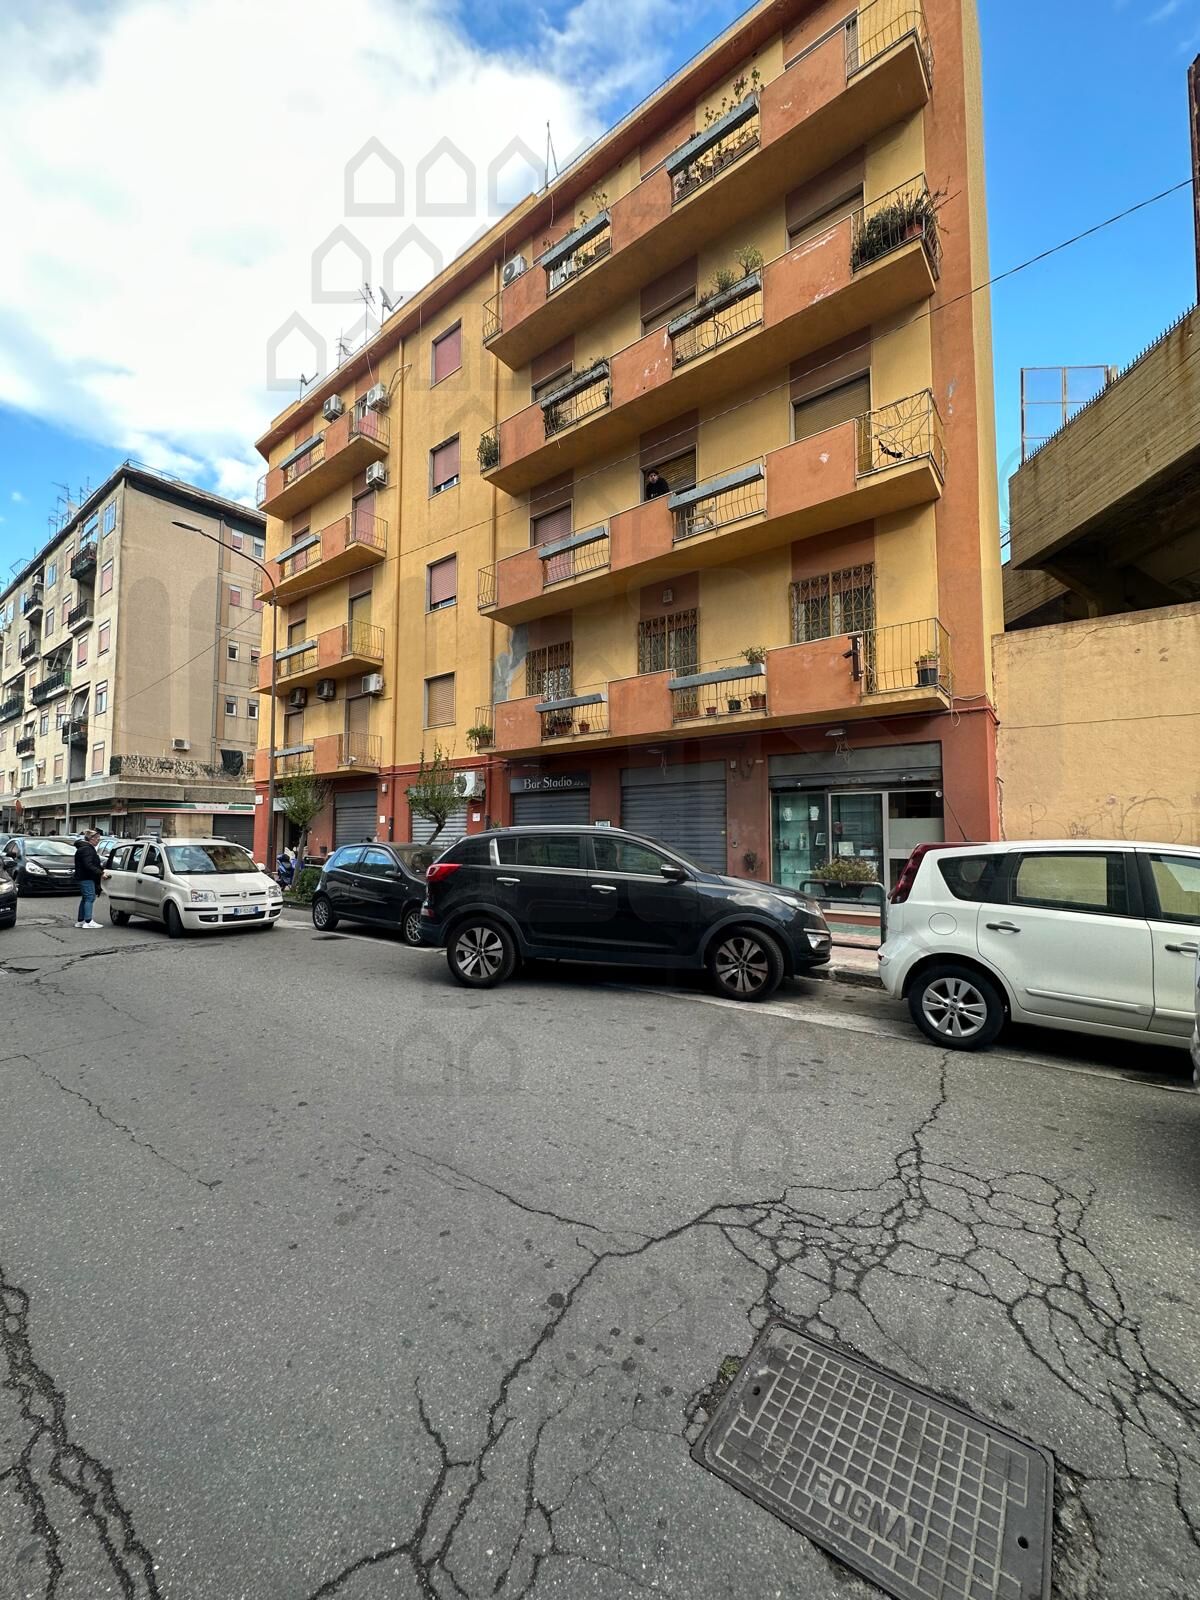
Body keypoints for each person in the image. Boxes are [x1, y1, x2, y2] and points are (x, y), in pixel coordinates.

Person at [73, 829, 105, 929]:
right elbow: (88, 865)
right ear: (91, 839)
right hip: (86, 877)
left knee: (85, 898)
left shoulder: (83, 848)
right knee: (90, 897)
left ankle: (81, 920)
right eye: (97, 839)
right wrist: (101, 873)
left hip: (83, 876)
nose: (98, 841)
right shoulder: (87, 849)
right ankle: (88, 921)